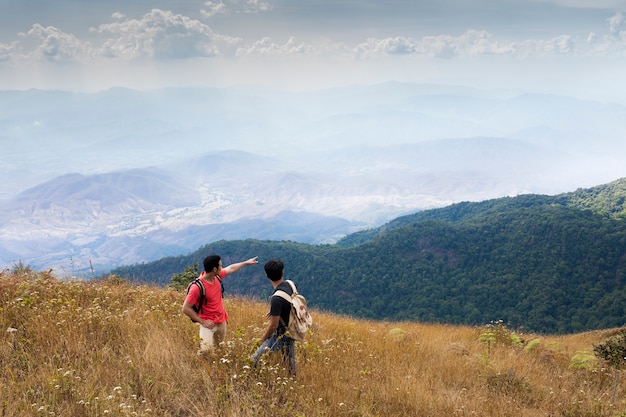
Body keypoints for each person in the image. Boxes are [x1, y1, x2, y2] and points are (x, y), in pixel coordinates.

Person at [182, 254, 258, 354]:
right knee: (206, 351)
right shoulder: (197, 287)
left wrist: (246, 262)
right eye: (220, 266)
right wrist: (202, 321)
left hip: (221, 321)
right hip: (208, 324)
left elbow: (230, 268)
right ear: (214, 269)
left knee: (218, 350)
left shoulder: (217, 276)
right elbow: (186, 308)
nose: (222, 268)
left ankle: (215, 368)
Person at [251, 259, 298, 377]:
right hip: (292, 328)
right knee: (289, 363)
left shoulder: (276, 299)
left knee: (254, 359)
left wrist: (262, 340)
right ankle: (293, 382)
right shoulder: (289, 284)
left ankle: (251, 380)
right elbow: (290, 303)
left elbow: (273, 326)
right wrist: (274, 311)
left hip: (282, 334)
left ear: (267, 276)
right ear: (282, 273)